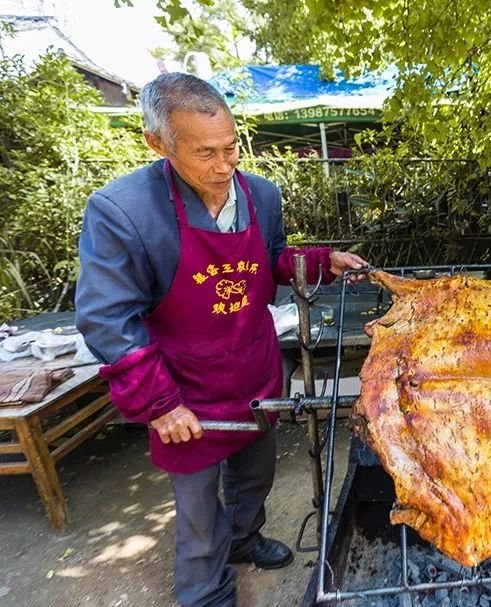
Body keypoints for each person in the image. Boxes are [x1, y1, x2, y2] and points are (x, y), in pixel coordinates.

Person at [75, 73, 368, 607]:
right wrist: (158, 403)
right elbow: (107, 317)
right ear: (158, 143)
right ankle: (206, 592)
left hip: (252, 369)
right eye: (205, 153)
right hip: (183, 391)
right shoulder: (123, 212)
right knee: (198, 511)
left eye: (231, 147)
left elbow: (271, 259)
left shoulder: (260, 194)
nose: (224, 165)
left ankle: (246, 538)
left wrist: (321, 262)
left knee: (254, 476)